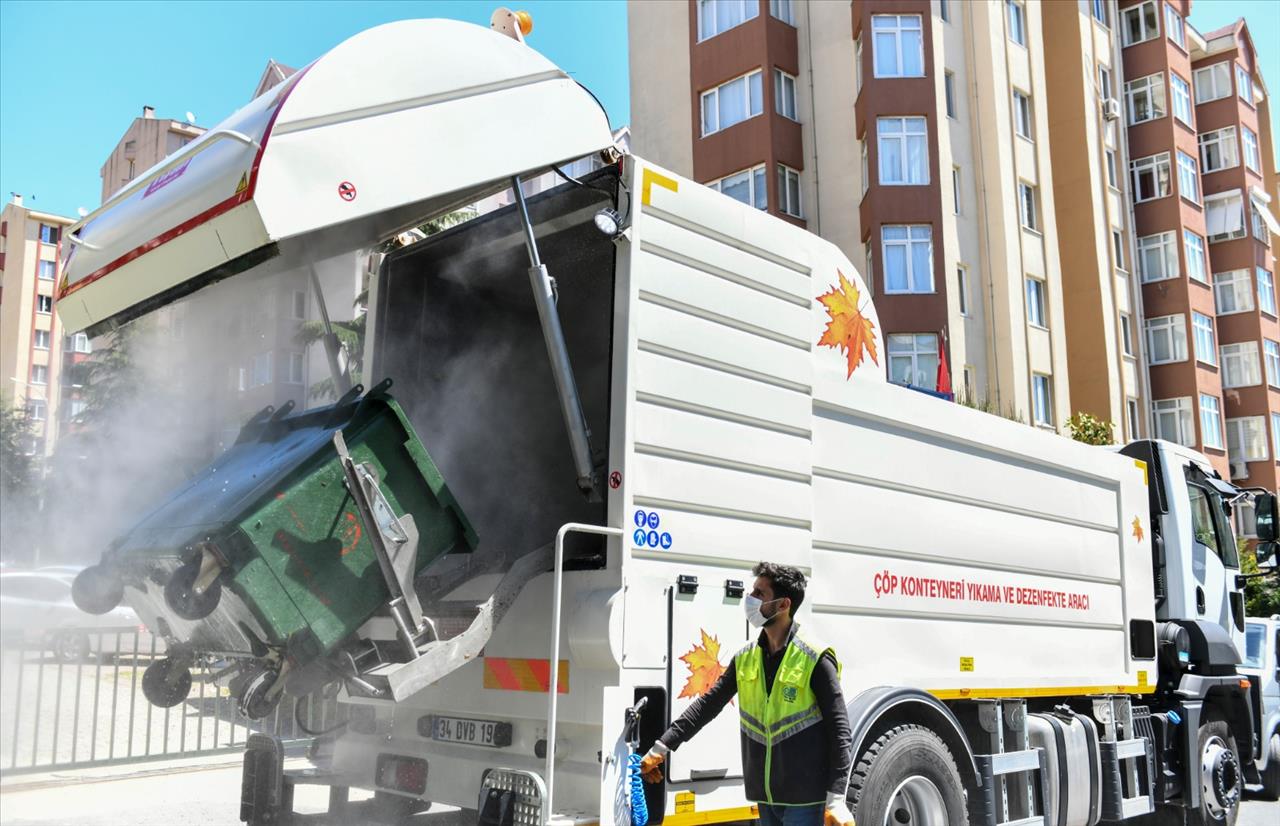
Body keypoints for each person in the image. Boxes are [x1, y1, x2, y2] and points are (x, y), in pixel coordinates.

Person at [640, 562, 854, 826]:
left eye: (759, 593)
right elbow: (708, 704)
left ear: (783, 605)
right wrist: (662, 746)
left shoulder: (815, 658)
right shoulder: (746, 656)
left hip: (805, 799)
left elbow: (840, 731)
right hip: (766, 797)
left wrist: (836, 799)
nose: (750, 599)